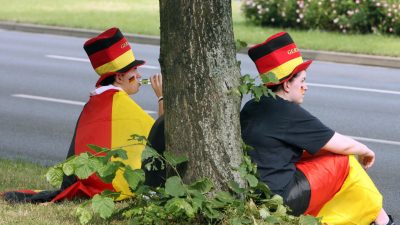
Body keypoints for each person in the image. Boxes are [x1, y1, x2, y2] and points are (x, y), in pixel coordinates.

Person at [240, 32, 394, 225]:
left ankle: (380, 219)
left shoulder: (255, 105)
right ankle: (381, 220)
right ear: (287, 84)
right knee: (344, 161)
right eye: (302, 81)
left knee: (323, 154)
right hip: (281, 199)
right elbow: (342, 145)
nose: (306, 87)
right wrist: (366, 150)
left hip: (257, 194)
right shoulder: (286, 112)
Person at [3, 27, 164, 203]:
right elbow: (160, 134)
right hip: (112, 187)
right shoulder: (119, 102)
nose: (139, 75)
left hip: (90, 182)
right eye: (134, 71)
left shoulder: (98, 99)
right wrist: (161, 96)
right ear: (119, 78)